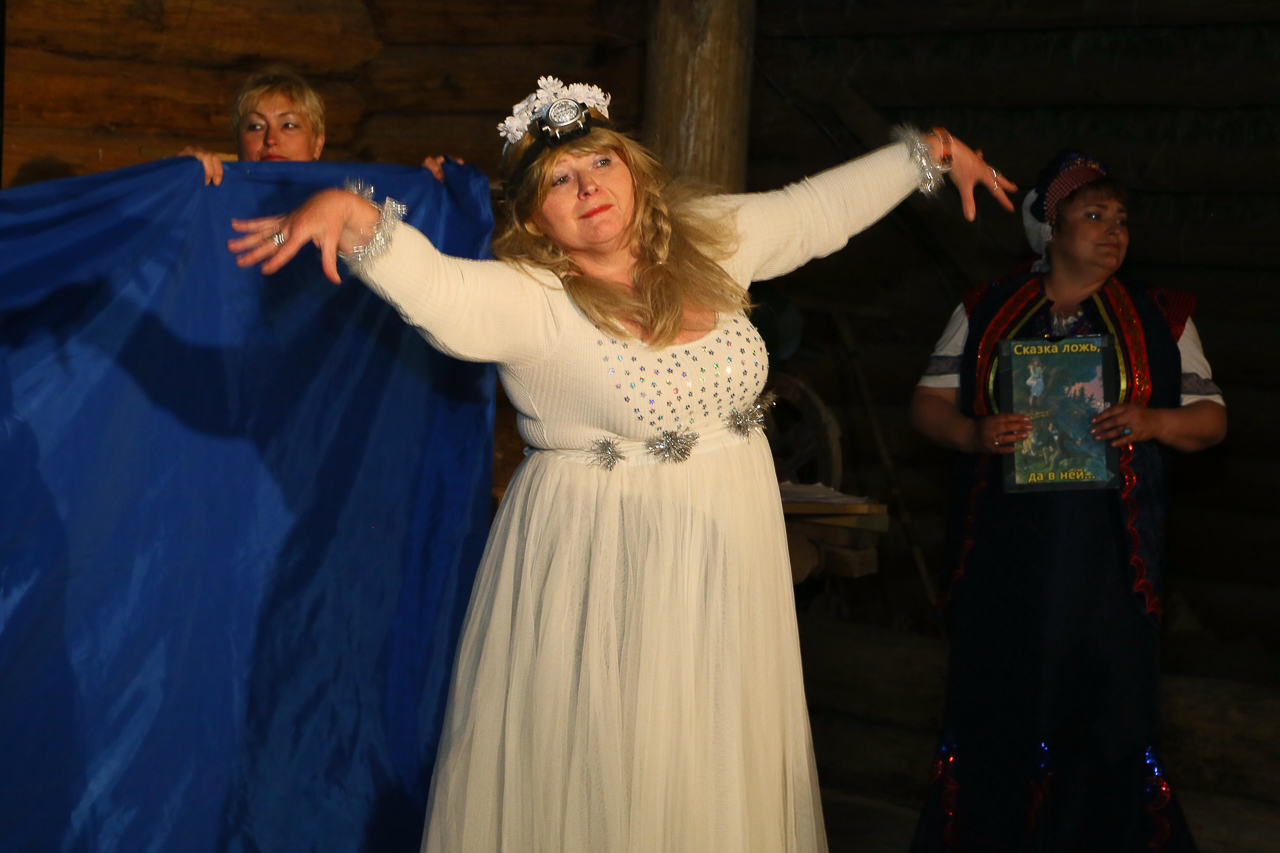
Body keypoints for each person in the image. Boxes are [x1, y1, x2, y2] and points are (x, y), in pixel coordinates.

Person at [228, 77, 1015, 852]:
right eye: (558, 180)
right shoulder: (530, 297)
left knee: (711, 758)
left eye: (600, 162)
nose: (588, 187)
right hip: (605, 568)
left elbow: (814, 212)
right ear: (534, 215)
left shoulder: (711, 237)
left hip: (727, 552)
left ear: (632, 168)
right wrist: (354, 218)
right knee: (614, 765)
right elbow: (441, 290)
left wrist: (928, 154)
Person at [908, 150, 1226, 851]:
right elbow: (928, 402)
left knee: (1104, 706)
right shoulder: (986, 309)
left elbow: (1211, 421)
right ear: (1050, 229)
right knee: (1004, 698)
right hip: (1005, 549)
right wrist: (971, 432)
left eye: (1121, 219)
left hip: (1111, 556)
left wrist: (1154, 421)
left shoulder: (1162, 318)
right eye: (1094, 215)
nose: (1114, 231)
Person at [182, 67, 455, 185]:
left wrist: (436, 185)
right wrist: (177, 177)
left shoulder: (353, 196)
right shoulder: (207, 195)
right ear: (237, 141)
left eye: (289, 124)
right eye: (255, 126)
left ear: (317, 144)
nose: (271, 139)